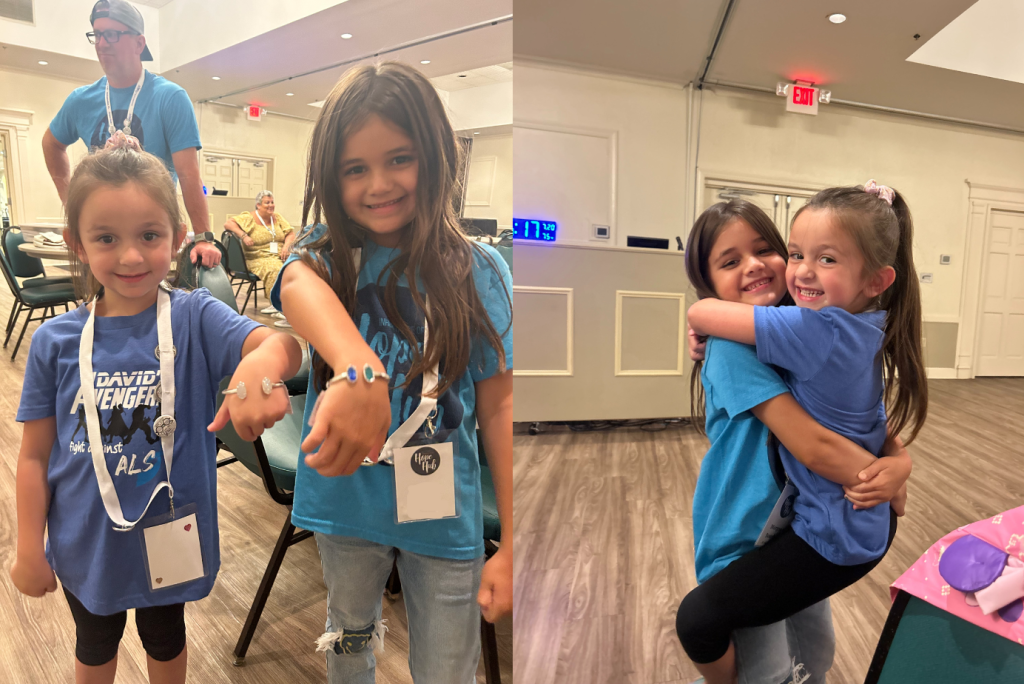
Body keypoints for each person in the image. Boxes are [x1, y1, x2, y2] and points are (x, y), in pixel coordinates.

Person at [10, 142, 302, 684]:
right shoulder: (55, 342)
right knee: (94, 644)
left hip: (169, 532)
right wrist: (29, 545)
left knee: (165, 639)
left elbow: (285, 348)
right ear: (77, 243)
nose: (131, 257)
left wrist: (259, 366)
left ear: (177, 236)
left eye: (150, 235)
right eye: (106, 238)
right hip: (86, 539)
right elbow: (33, 457)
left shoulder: (195, 318)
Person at [272, 62, 513, 683]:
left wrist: (515, 541)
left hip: (442, 506)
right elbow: (292, 282)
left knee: (447, 666)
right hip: (345, 496)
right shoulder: (326, 255)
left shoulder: (478, 269)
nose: (379, 184)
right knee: (348, 639)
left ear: (434, 158)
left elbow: (500, 409)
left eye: (399, 159)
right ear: (332, 175)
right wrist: (361, 371)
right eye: (355, 168)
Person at [677, 184, 927, 684]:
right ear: (707, 280)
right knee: (770, 662)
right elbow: (813, 442)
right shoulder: (744, 345)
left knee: (806, 656)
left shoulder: (806, 325)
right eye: (729, 261)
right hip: (747, 530)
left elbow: (854, 425)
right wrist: (893, 475)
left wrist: (898, 467)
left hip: (797, 522)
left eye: (765, 250)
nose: (754, 265)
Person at [41, 0, 221, 269]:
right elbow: (51, 144)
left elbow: (188, 174)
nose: (102, 43)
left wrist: (204, 237)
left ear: (139, 43)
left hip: (149, 233)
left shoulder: (169, 97)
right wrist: (71, 201)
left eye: (112, 34)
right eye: (97, 35)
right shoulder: (80, 100)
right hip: (102, 235)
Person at [224, 190, 296, 326]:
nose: (270, 205)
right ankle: (285, 308)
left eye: (272, 202)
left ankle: (286, 304)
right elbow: (228, 224)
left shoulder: (277, 217)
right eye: (266, 203)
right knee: (277, 269)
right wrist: (243, 235)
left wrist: (286, 246)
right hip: (257, 257)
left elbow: (290, 233)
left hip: (280, 255)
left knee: (296, 266)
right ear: (258, 205)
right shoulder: (249, 218)